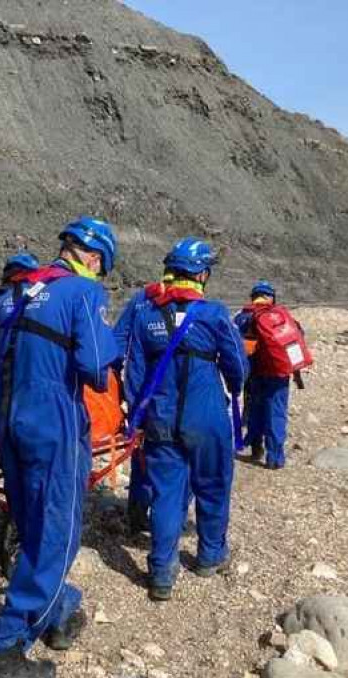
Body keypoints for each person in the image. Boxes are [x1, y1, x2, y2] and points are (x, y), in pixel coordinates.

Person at [0, 216, 119, 678]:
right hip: (53, 426)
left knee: (31, 525)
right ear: (94, 258)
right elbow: (96, 366)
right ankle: (5, 648)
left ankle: (58, 611)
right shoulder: (84, 293)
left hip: (8, 424)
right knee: (57, 535)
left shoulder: (14, 294)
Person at [120, 238, 247, 601]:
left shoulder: (146, 316)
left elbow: (135, 375)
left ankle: (161, 574)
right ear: (202, 274)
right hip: (206, 417)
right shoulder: (216, 314)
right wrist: (234, 389)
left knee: (166, 495)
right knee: (212, 486)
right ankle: (209, 556)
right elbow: (238, 366)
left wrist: (137, 414)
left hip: (160, 418)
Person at [233, 280, 305, 469]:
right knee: (276, 413)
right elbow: (297, 338)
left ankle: (255, 449)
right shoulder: (282, 316)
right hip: (279, 374)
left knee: (254, 410)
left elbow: (233, 343)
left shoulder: (243, 317)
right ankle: (275, 458)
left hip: (254, 374)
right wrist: (295, 371)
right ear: (272, 297)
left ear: (253, 297)